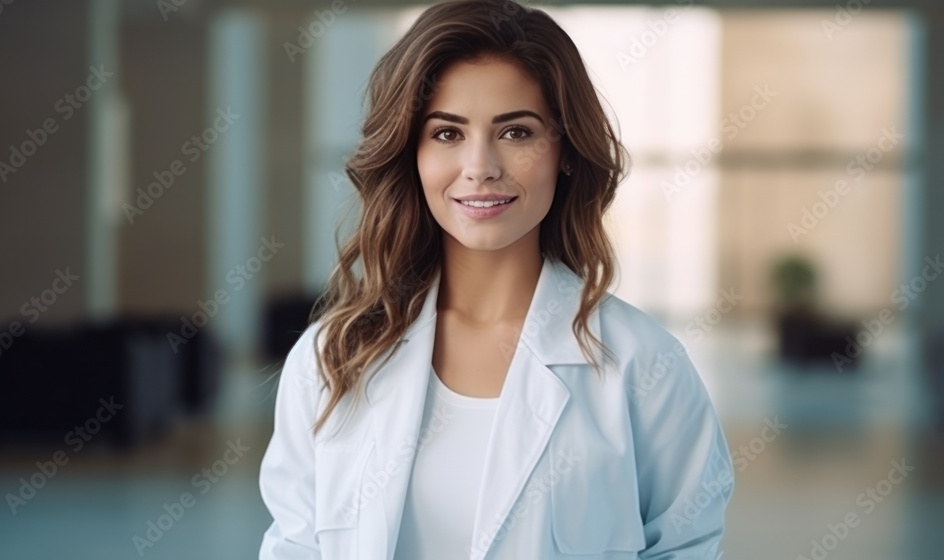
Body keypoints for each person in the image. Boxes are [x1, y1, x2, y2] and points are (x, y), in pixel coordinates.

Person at [259, 0, 734, 558]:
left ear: (566, 152)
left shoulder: (643, 362)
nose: (480, 166)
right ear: (410, 153)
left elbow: (687, 544)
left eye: (515, 132)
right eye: (446, 134)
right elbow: (295, 545)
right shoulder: (331, 358)